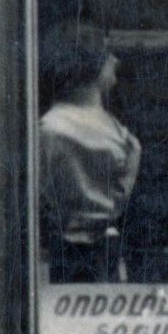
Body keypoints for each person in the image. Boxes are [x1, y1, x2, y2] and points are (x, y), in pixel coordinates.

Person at [36, 18, 141, 262]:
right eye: (106, 54)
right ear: (88, 61)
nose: (115, 60)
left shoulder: (118, 130)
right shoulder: (53, 131)